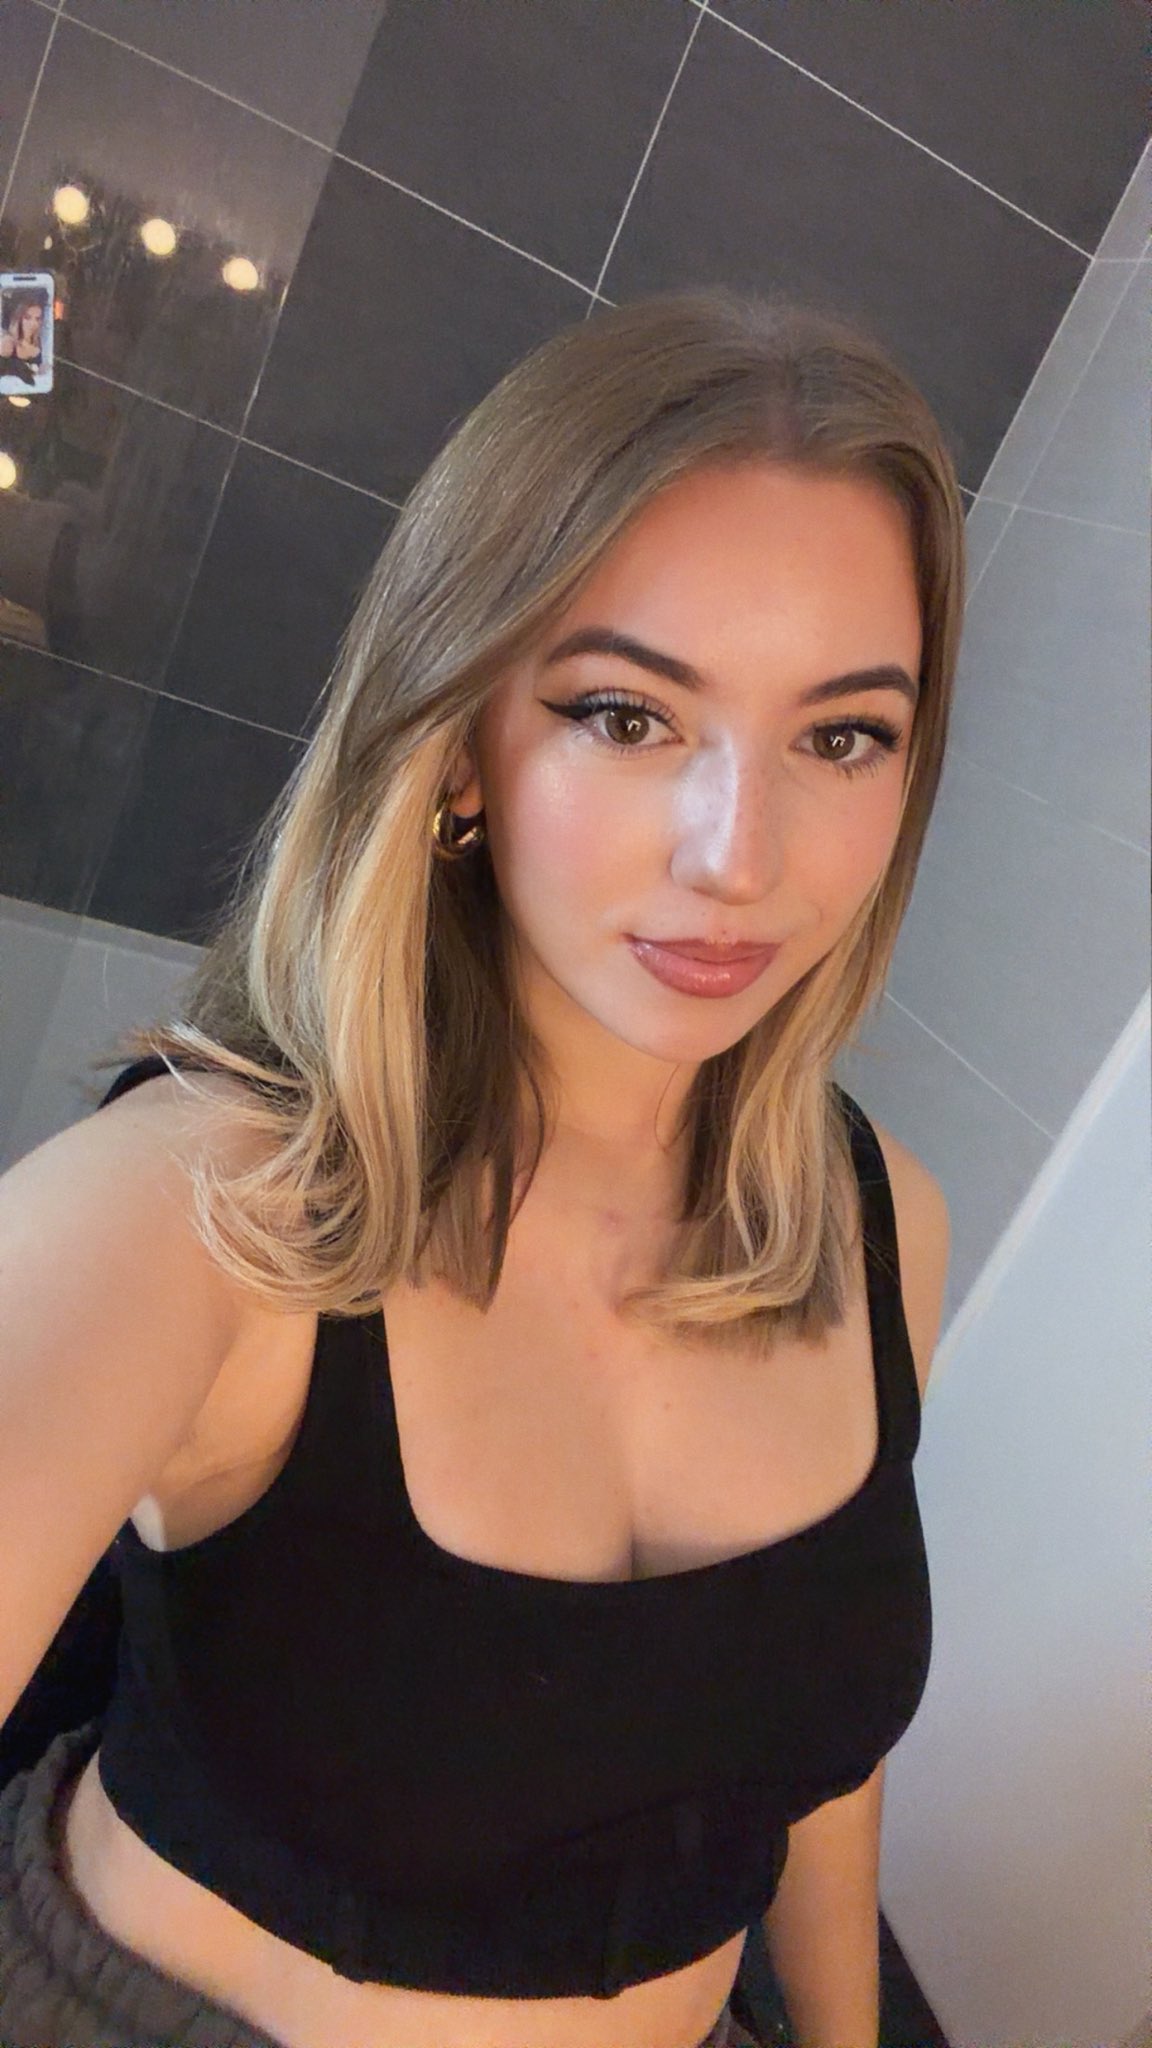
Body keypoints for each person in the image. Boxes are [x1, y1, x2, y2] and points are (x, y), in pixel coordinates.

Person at [0, 285, 956, 2048]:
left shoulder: (878, 1221)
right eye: (627, 714)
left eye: (842, 735)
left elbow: (803, 1761)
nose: (739, 856)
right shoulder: (191, 1212)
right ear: (458, 744)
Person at [0, 293, 45, 385]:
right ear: (19, 319)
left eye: (37, 319)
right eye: (27, 318)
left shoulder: (38, 348)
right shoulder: (8, 342)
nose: (33, 323)